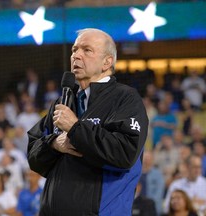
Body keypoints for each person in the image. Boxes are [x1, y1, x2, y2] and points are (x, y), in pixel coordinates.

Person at [27, 28, 149, 215]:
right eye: (74, 50)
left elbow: (124, 154)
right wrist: (53, 144)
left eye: (87, 50)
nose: (76, 56)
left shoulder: (125, 98)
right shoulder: (64, 102)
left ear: (107, 62)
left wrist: (75, 128)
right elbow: (33, 155)